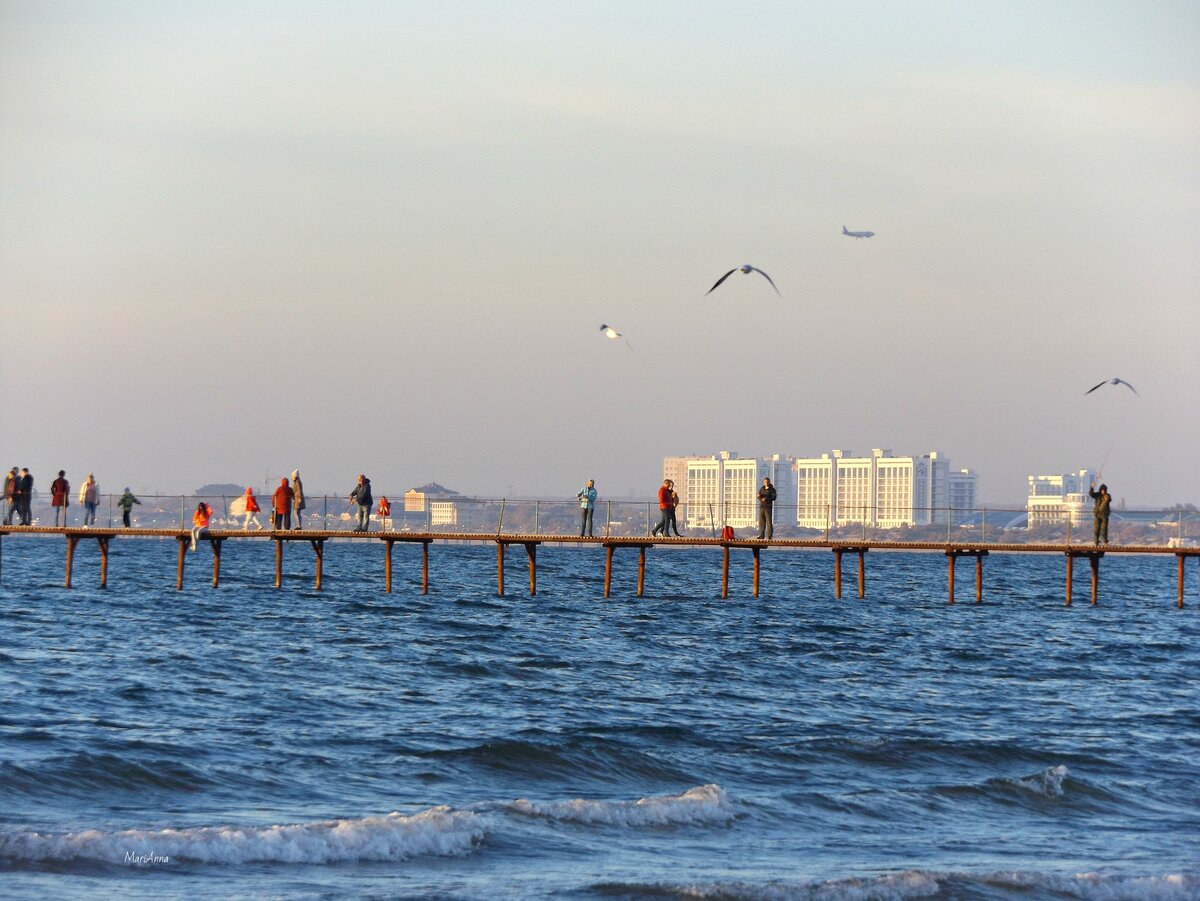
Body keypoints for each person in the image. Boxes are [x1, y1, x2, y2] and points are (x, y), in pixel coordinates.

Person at [1089, 480, 1112, 546]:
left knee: (1104, 529)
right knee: (1096, 529)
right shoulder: (1097, 495)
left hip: (1104, 515)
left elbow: (1108, 500)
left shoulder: (1107, 496)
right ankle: (1096, 542)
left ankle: (1105, 542)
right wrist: (1092, 487)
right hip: (1097, 514)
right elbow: (1091, 494)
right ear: (1100, 490)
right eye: (1102, 490)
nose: (1103, 491)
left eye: (1104, 490)